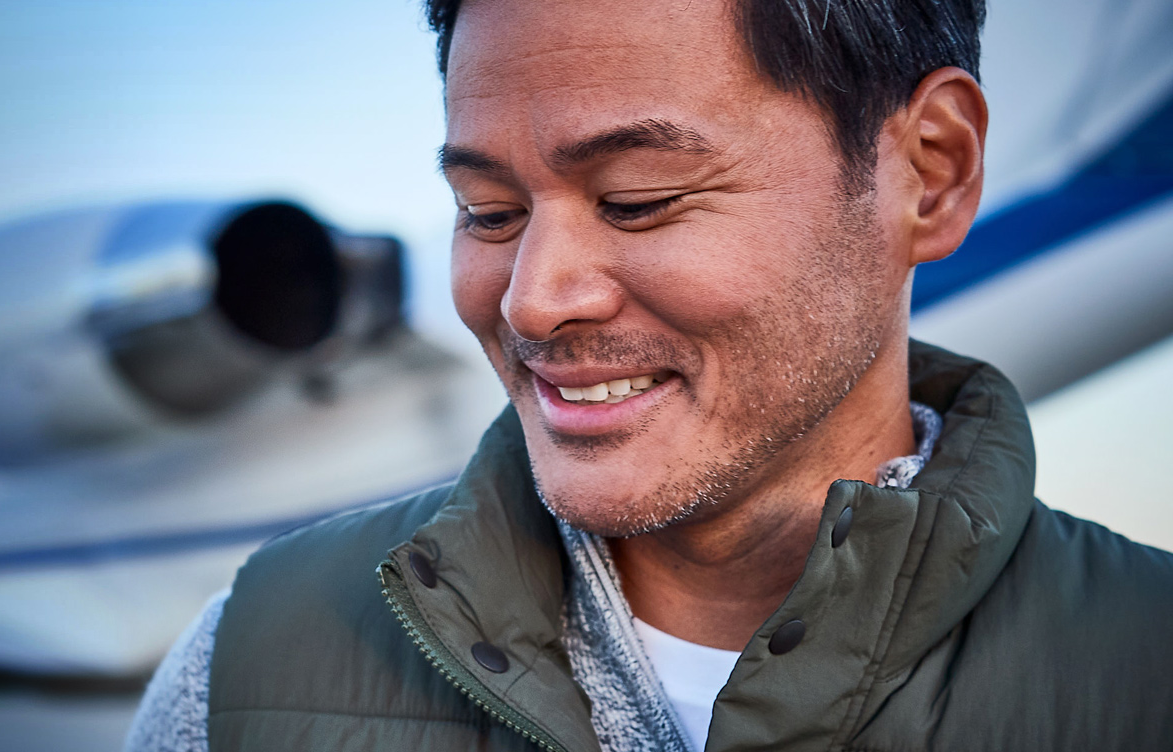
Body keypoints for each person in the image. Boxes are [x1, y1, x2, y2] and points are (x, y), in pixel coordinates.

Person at [127, 0, 1173, 749]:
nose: (532, 300)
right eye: (488, 212)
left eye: (639, 198)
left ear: (930, 172)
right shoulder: (244, 669)